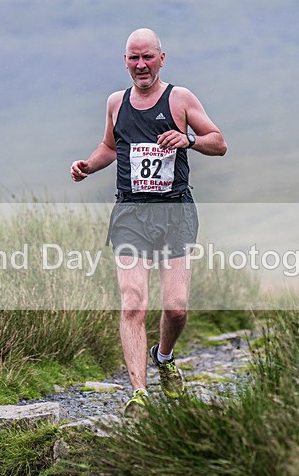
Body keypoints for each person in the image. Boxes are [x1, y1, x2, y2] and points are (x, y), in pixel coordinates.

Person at [70, 28, 227, 416]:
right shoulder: (115, 103)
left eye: (148, 57)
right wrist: (89, 165)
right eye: (133, 58)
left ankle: (165, 357)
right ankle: (138, 394)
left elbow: (219, 142)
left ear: (162, 58)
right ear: (125, 61)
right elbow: (110, 146)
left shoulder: (180, 98)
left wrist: (188, 140)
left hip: (175, 212)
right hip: (131, 215)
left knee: (175, 309)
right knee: (133, 303)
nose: (141, 65)